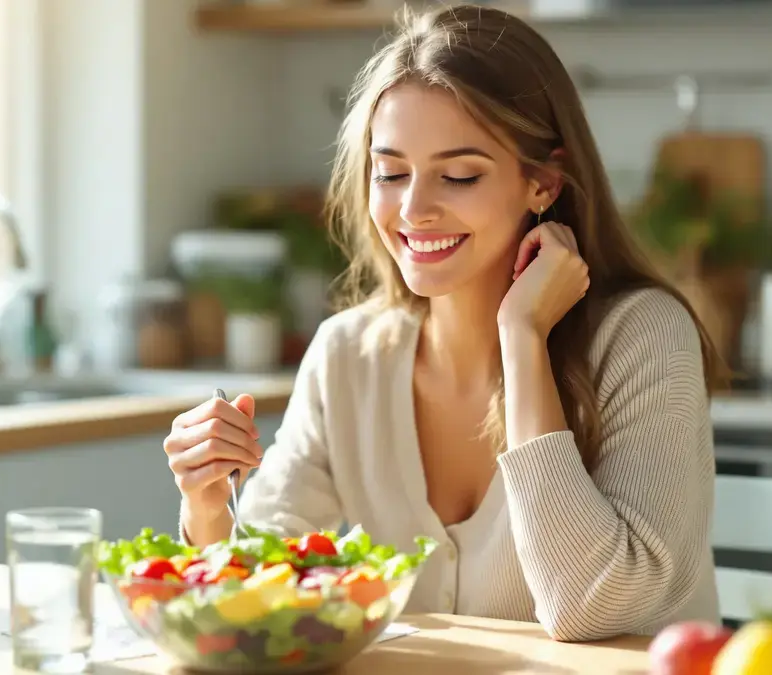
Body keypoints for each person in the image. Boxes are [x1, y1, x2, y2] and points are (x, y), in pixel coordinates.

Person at [162, 4, 723, 642]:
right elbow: (262, 600)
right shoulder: (349, 355)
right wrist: (207, 510)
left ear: (542, 183)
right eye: (391, 173)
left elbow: (590, 608)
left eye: (458, 176)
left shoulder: (642, 336)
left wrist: (523, 339)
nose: (414, 209)